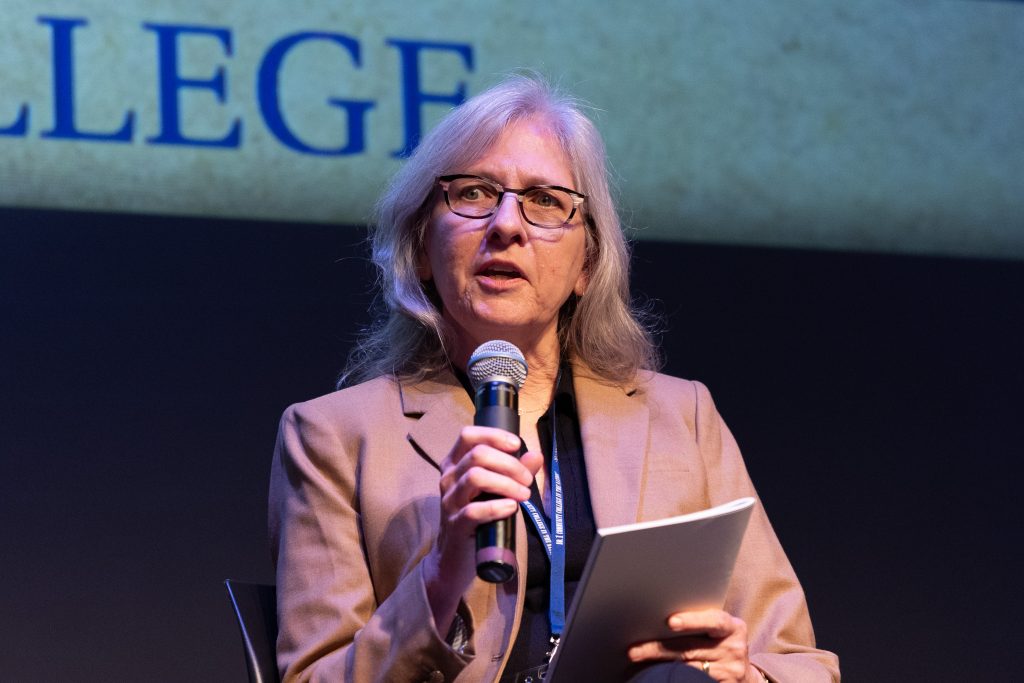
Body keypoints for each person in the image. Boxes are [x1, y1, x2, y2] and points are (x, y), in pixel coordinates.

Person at [269, 74, 840, 683]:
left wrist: (743, 673)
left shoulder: (682, 417)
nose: (507, 225)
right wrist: (439, 576)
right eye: (474, 193)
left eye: (545, 201)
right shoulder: (333, 436)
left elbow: (800, 663)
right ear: (421, 247)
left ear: (586, 266)